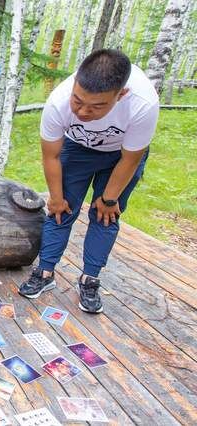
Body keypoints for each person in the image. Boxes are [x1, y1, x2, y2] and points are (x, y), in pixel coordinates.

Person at [18, 49, 159, 314]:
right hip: (77, 148)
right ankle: (44, 272)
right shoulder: (58, 101)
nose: (83, 111)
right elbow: (51, 155)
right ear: (74, 85)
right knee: (61, 209)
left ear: (121, 95)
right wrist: (56, 197)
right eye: (78, 101)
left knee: (105, 215)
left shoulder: (143, 103)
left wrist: (109, 198)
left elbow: (130, 160)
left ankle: (90, 279)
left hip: (120, 156)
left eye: (97, 106)